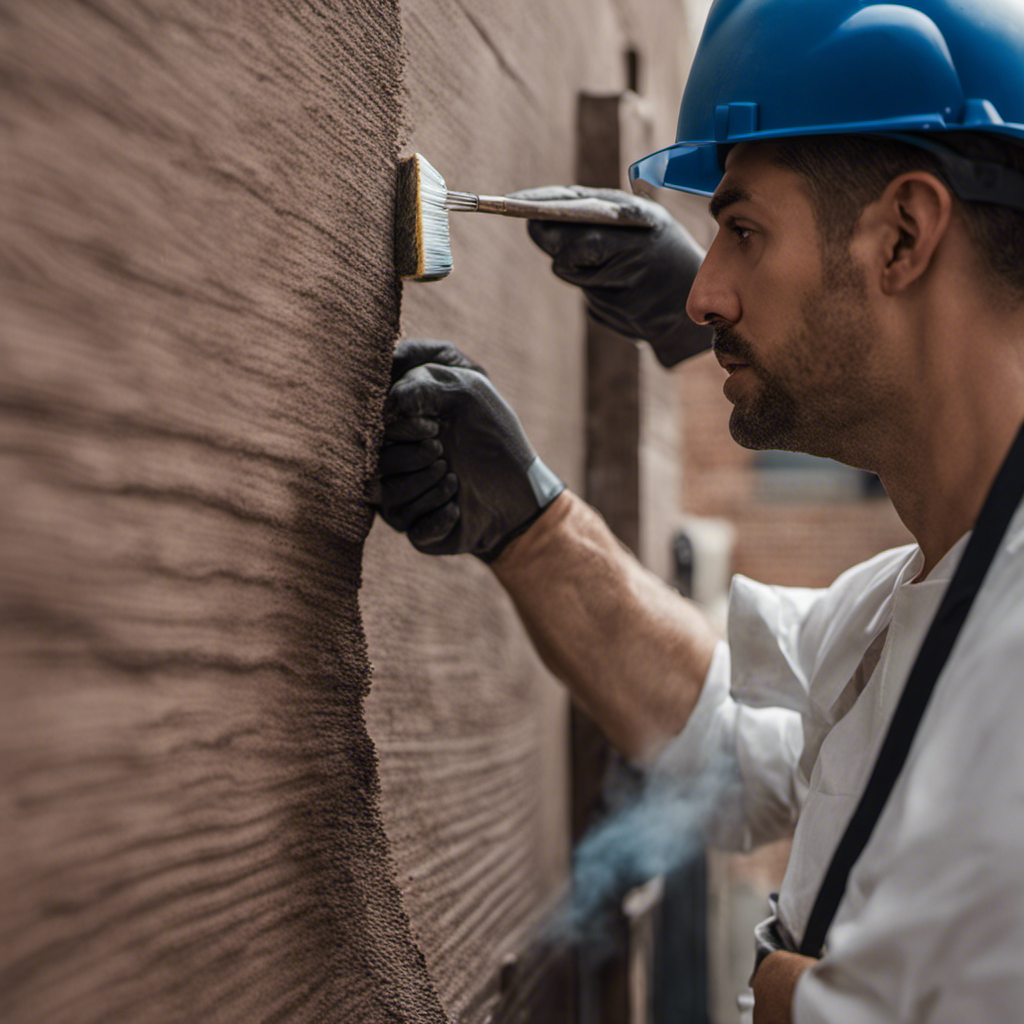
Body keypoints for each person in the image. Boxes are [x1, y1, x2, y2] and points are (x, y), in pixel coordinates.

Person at [376, 1, 1024, 1020]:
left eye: (741, 229)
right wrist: (534, 530)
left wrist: (783, 993)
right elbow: (735, 753)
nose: (703, 293)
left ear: (902, 235)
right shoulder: (914, 600)